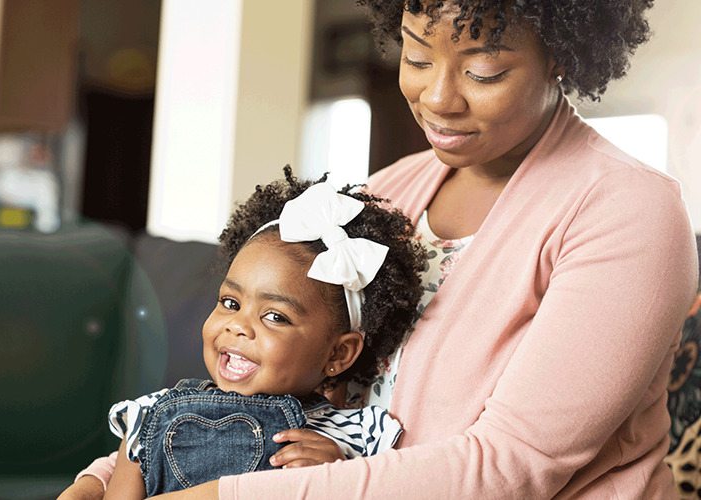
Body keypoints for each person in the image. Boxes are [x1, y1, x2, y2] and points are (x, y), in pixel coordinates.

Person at [60, 0, 699, 498]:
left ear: (563, 53)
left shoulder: (627, 210)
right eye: (418, 58)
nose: (439, 98)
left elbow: (510, 470)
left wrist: (225, 496)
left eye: (484, 71)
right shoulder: (387, 195)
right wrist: (102, 476)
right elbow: (276, 388)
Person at [78, 168, 426, 498]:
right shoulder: (151, 416)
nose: (238, 325)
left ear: (338, 354)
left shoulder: (354, 438)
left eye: (274, 316)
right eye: (230, 303)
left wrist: (336, 478)